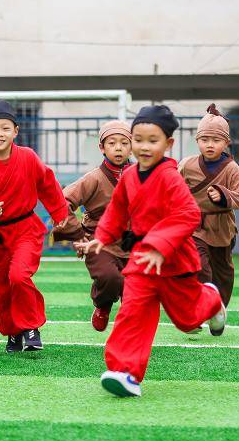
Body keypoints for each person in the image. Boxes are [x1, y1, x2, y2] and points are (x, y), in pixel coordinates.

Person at [75, 105, 225, 397]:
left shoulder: (170, 178)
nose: (144, 146)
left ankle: (211, 299)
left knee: (187, 320)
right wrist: (101, 238)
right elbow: (117, 211)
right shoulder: (129, 176)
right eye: (138, 139)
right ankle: (125, 373)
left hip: (174, 261)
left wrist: (160, 245)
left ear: (168, 144)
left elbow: (188, 215)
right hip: (142, 260)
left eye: (152, 140)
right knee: (132, 313)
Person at [0, 96, 67, 353]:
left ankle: (31, 327)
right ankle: (12, 333)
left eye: (5, 128)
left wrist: (60, 212)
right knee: (2, 287)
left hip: (26, 229)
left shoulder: (28, 157)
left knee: (19, 276)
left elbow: (48, 183)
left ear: (16, 131)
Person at [53, 120, 133, 331]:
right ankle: (102, 305)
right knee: (110, 277)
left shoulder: (142, 175)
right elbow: (61, 202)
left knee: (134, 292)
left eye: (124, 143)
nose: (118, 147)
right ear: (102, 148)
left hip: (132, 241)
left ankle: (129, 340)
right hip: (98, 240)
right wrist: (77, 234)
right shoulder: (93, 178)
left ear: (132, 146)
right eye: (112, 143)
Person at [178, 104, 239, 308]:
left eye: (216, 140)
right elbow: (172, 189)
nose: (210, 145)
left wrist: (224, 195)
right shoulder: (186, 165)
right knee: (200, 268)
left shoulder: (232, 169)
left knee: (223, 274)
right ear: (197, 140)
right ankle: (197, 306)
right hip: (195, 226)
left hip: (222, 228)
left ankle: (217, 310)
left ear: (226, 142)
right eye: (204, 140)